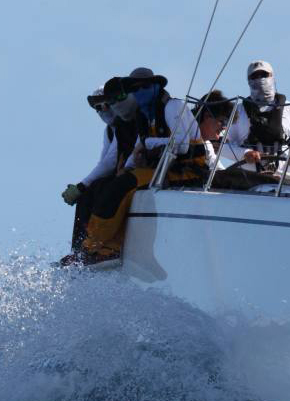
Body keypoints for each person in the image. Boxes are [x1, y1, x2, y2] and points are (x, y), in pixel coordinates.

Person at [65, 68, 200, 265]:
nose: (139, 91)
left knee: (120, 187)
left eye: (144, 87)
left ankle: (94, 246)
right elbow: (132, 150)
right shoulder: (144, 116)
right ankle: (85, 250)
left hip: (188, 171)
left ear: (156, 86)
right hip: (162, 170)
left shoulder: (172, 107)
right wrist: (126, 169)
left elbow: (181, 145)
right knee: (108, 187)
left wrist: (147, 146)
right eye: (134, 89)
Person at [62, 85, 138, 253]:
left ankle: (100, 246)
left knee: (101, 189)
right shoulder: (109, 131)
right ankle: (79, 250)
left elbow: (111, 161)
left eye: (106, 104)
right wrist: (84, 187)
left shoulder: (125, 124)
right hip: (119, 174)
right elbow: (103, 162)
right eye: (98, 107)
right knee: (88, 194)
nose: (103, 110)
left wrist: (82, 185)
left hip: (133, 173)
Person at [225, 60, 290, 171]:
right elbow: (222, 146)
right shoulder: (238, 111)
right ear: (249, 81)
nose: (260, 79)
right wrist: (244, 153)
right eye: (255, 76)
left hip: (283, 180)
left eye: (264, 75)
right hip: (246, 180)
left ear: (273, 78)